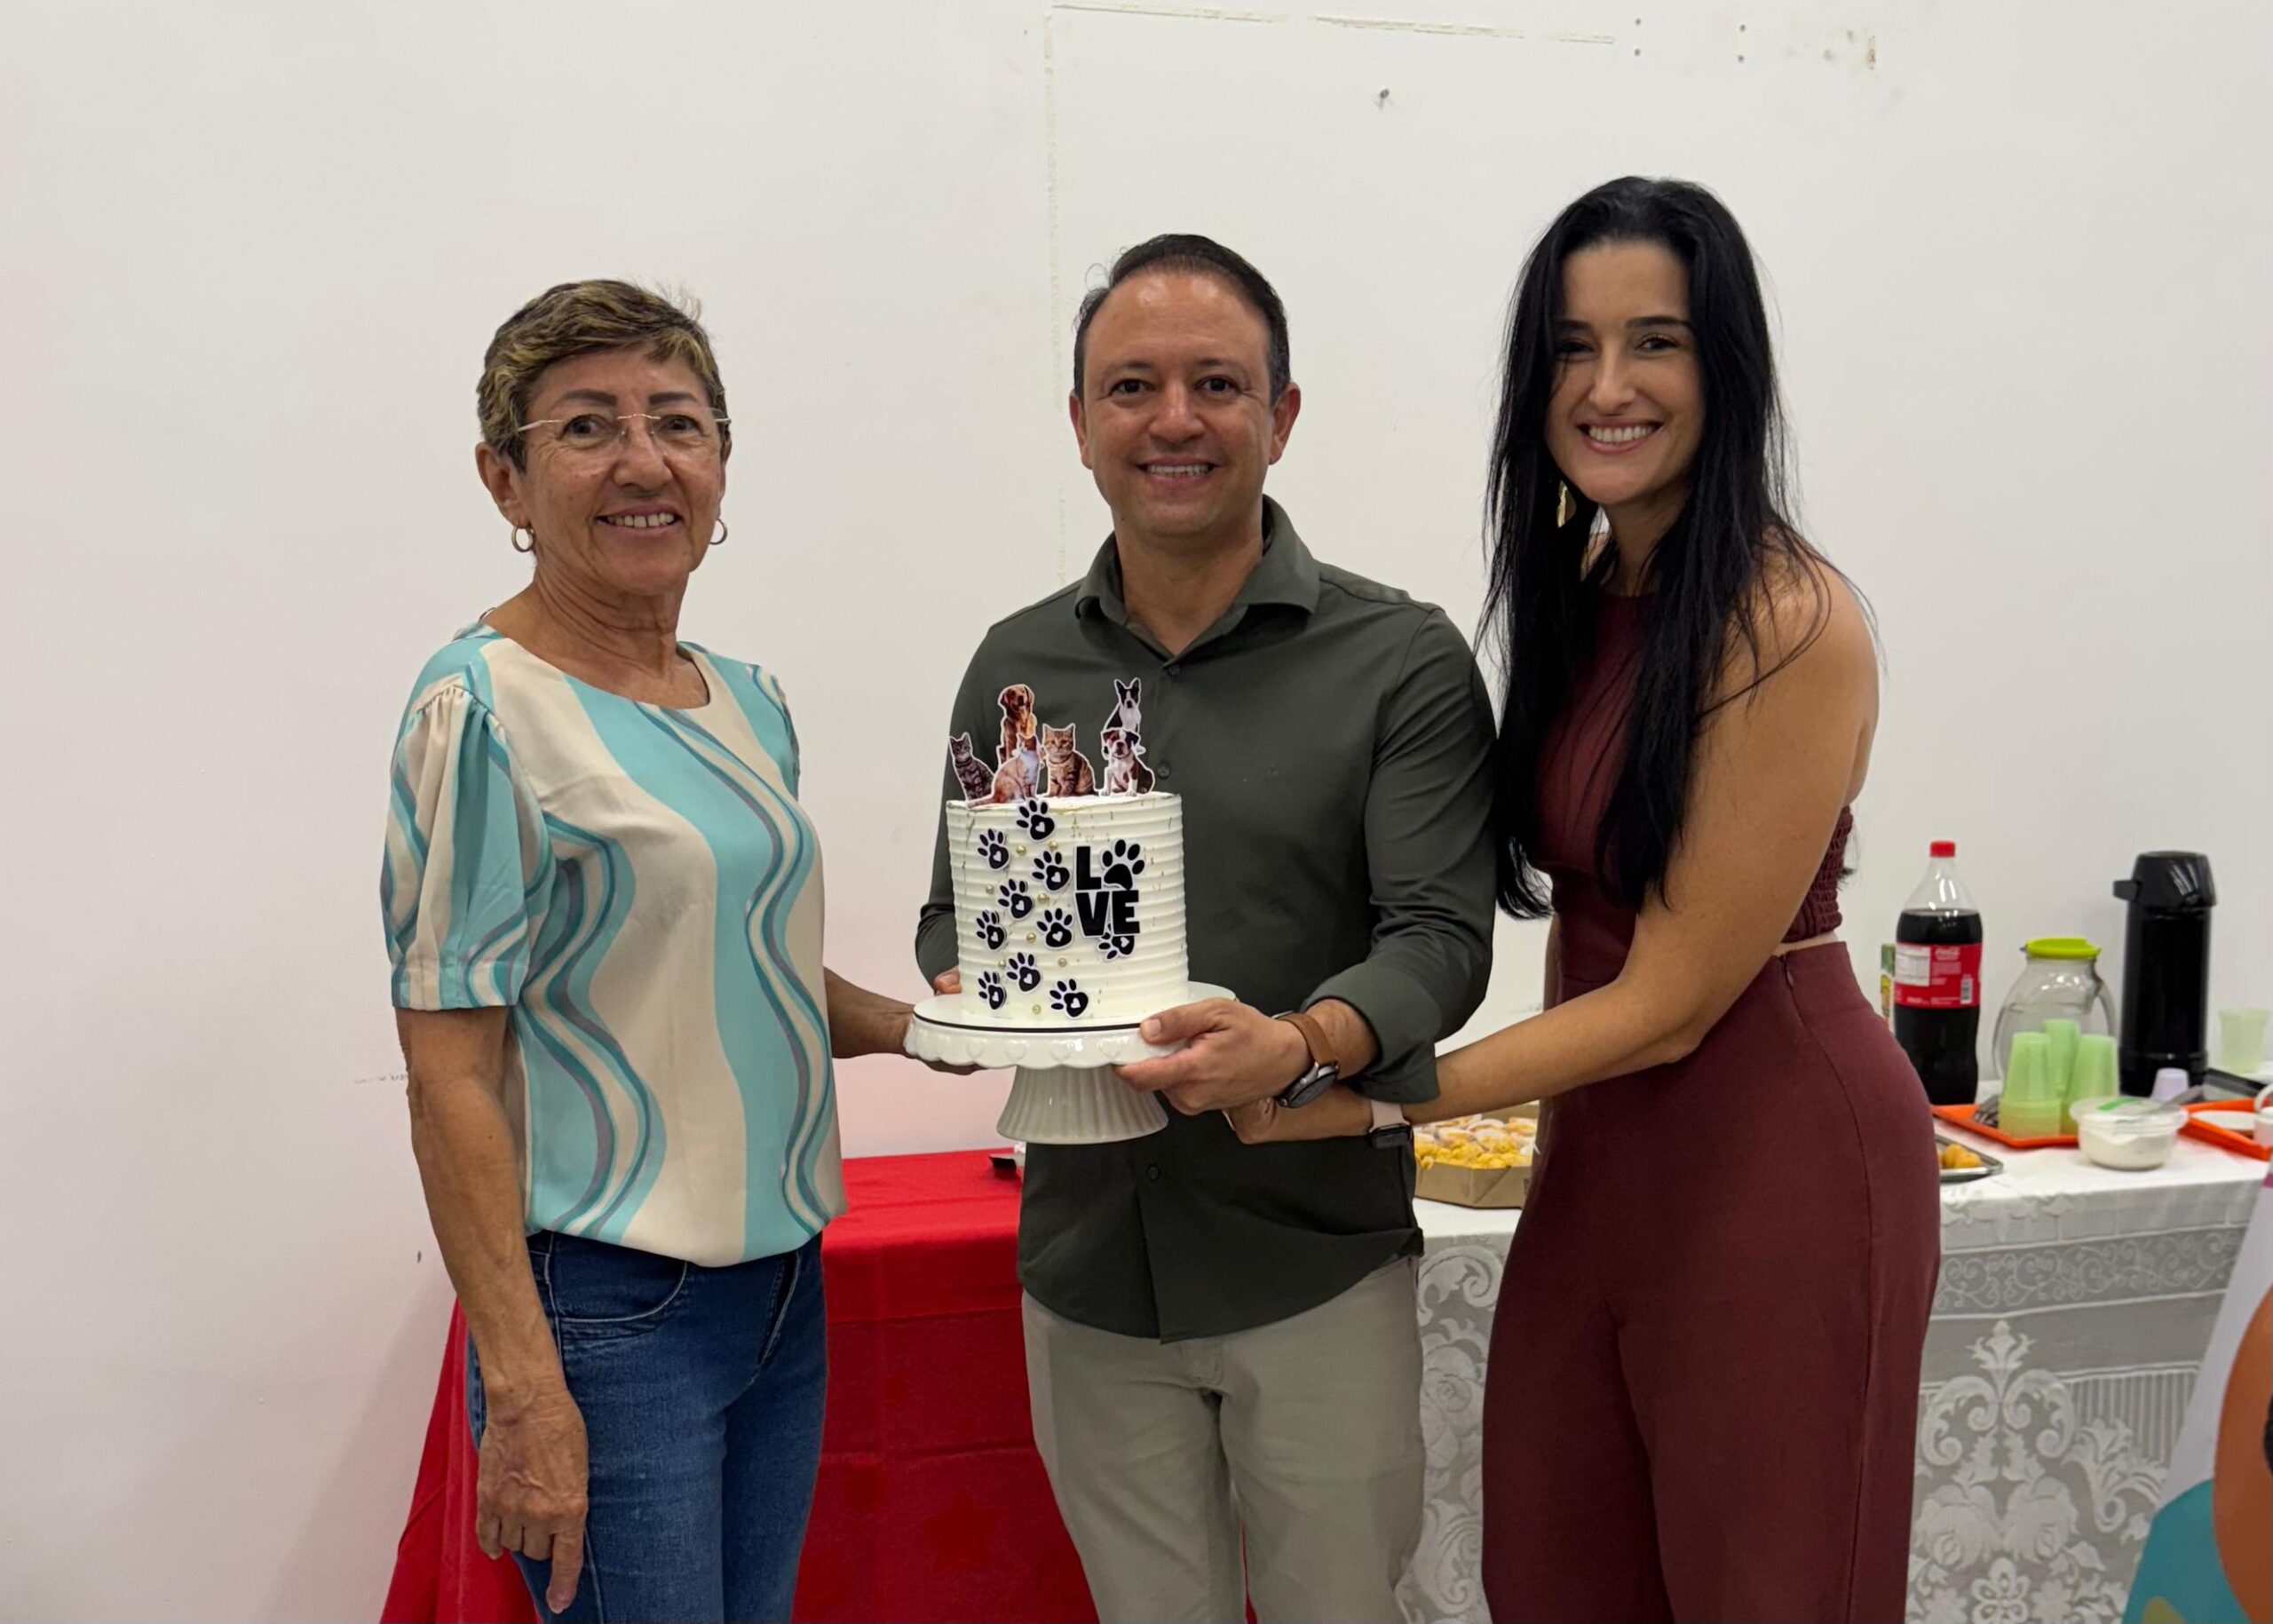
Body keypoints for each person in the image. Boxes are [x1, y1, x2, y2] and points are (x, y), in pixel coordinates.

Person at [1230, 178, 1942, 1621]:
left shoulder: (1788, 619)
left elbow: (1670, 1004)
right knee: (1551, 1578)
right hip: (1597, 1166)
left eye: (1653, 342)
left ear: (1724, 366)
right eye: (1571, 347)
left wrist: (1361, 1097)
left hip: (1778, 1161)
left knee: (1771, 1592)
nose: (1607, 387)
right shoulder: (1582, 581)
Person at [915, 234, 1496, 1623]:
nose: (1172, 418)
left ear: (1280, 416)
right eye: (1132, 386)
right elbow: (959, 908)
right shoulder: (1015, 667)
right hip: (1087, 1270)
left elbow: (1437, 939)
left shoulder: (1399, 659)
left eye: (1217, 384)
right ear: (1080, 424)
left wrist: (1294, 1043)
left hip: (1314, 1261)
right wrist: (978, 983)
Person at [384, 280, 941, 1623]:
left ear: (721, 461)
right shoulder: (482, 708)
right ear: (505, 479)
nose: (643, 461)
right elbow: (451, 1074)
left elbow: (733, 968)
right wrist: (523, 1383)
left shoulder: (747, 702)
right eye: (587, 427)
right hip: (606, 1311)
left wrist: (936, 1029)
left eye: (677, 422)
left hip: (783, 1289)